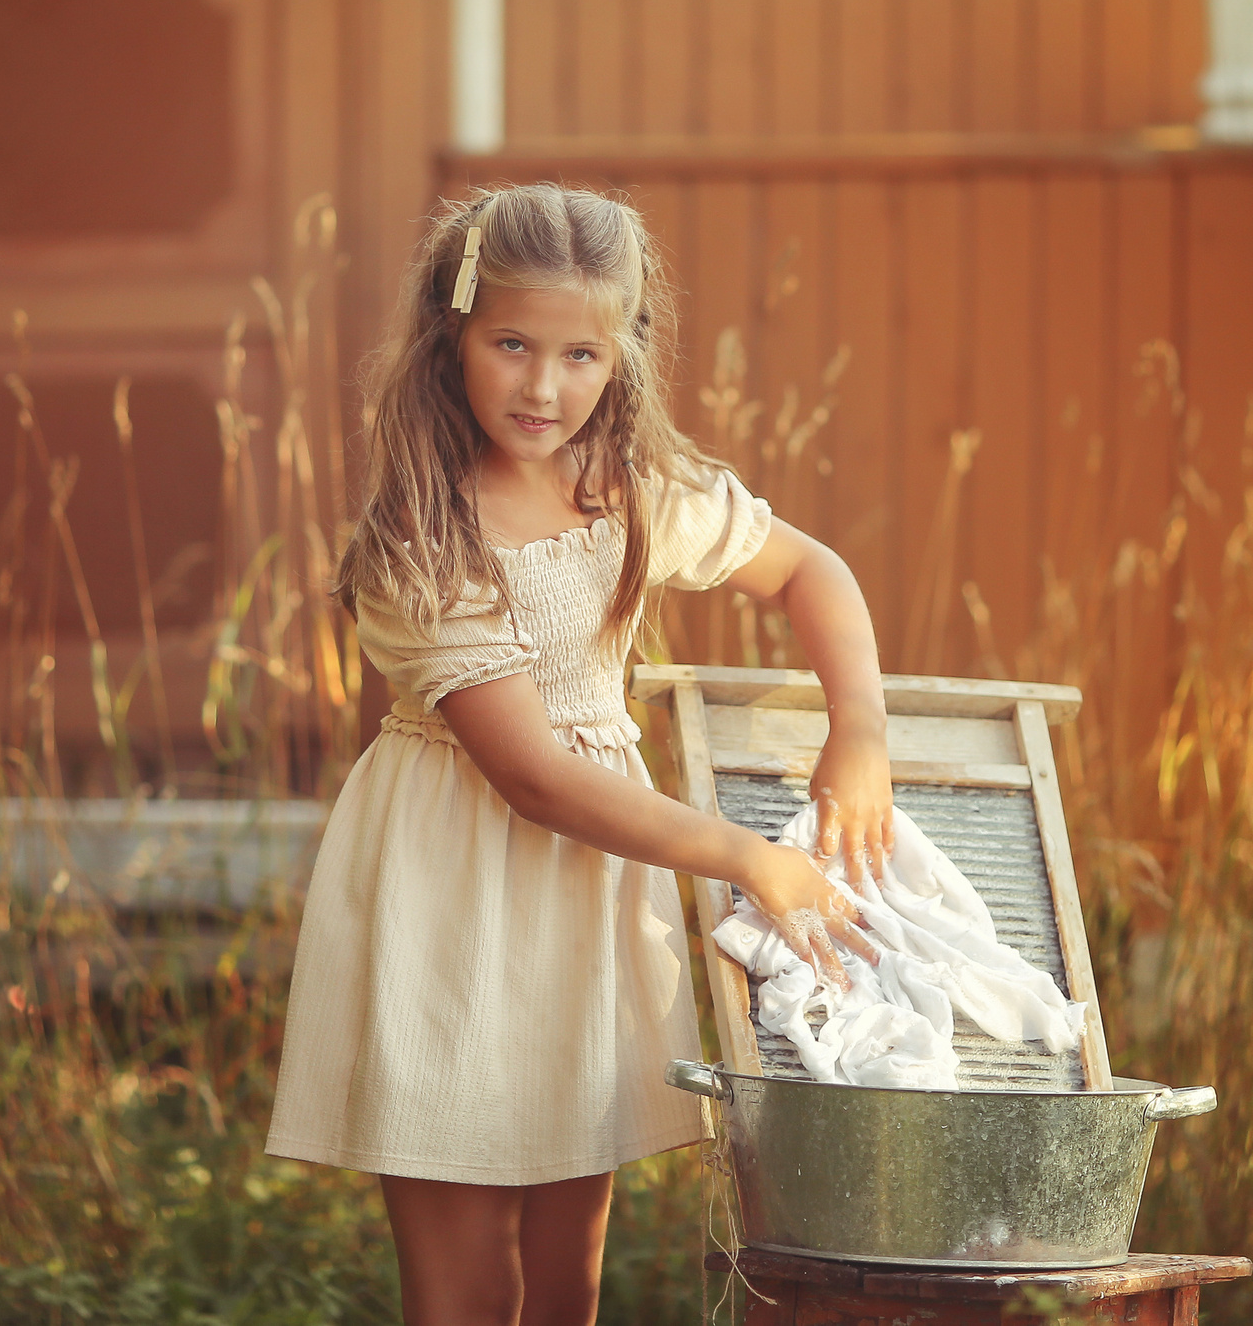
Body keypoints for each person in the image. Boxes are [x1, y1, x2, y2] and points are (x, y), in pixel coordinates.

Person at [266, 181, 894, 1326]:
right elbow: (535, 777)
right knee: (467, 1284)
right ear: (452, 331)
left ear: (622, 359)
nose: (543, 387)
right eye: (511, 344)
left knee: (566, 1279)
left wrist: (858, 727)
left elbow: (812, 572)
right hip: (451, 894)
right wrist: (746, 859)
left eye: (579, 356)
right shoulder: (425, 537)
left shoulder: (630, 494)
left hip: (587, 901)